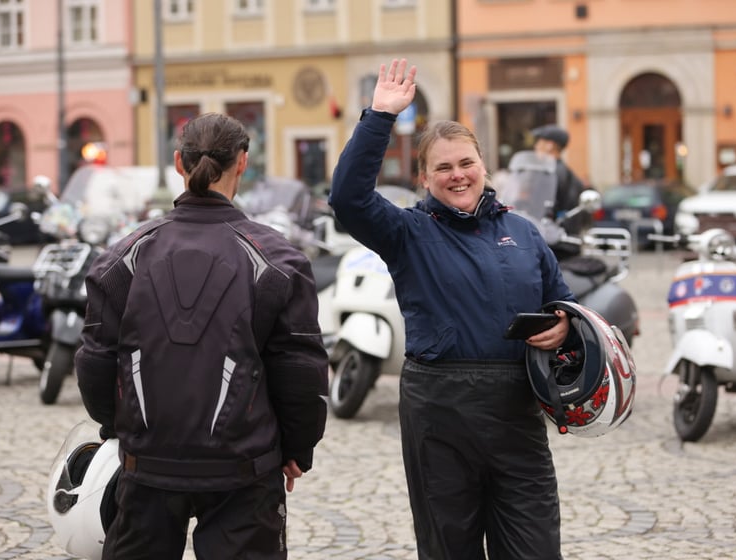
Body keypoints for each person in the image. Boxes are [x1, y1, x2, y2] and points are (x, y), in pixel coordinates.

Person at [329, 58, 575, 560]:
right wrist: (379, 117)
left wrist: (565, 325)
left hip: (515, 415)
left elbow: (564, 302)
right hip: (439, 416)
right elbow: (348, 199)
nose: (457, 176)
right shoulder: (407, 233)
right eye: (443, 167)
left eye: (466, 163)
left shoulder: (524, 233)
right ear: (425, 177)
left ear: (484, 164)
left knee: (535, 548)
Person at [74, 112, 329, 560]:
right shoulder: (278, 260)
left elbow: (95, 361)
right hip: (243, 470)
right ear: (243, 162)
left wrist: (119, 430)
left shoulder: (123, 256)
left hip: (147, 468)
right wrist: (297, 449)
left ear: (178, 162)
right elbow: (301, 373)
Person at [532, 124, 589, 234]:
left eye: (539, 142)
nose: (536, 146)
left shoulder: (552, 173)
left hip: (552, 237)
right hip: (555, 234)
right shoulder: (562, 171)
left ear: (550, 145)